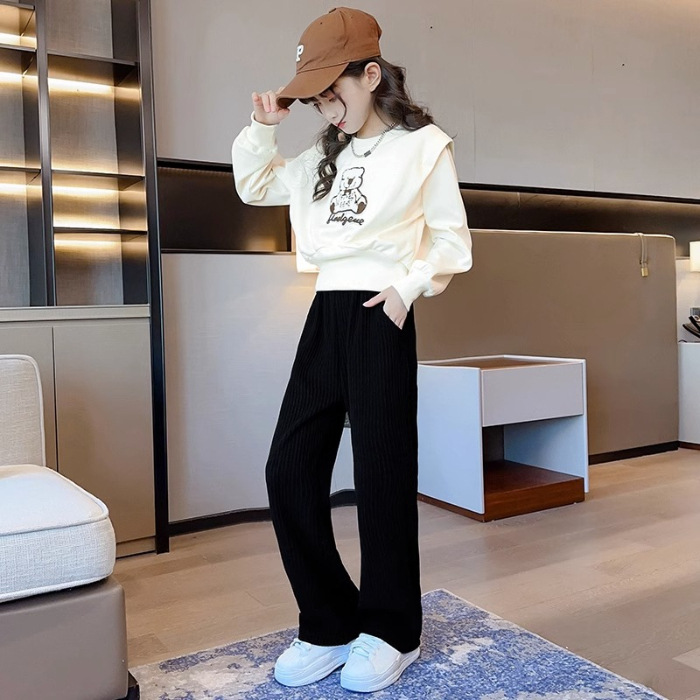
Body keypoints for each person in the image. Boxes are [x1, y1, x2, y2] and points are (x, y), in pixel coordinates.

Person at [231, 6, 472, 693]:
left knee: (381, 476)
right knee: (288, 468)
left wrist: (407, 289)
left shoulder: (425, 147)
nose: (324, 107)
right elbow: (254, 185)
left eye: (331, 90)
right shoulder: (320, 156)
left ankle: (394, 630)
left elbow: (453, 239)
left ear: (371, 75)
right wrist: (264, 126)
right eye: (314, 97)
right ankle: (329, 622)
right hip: (325, 311)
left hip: (380, 311)